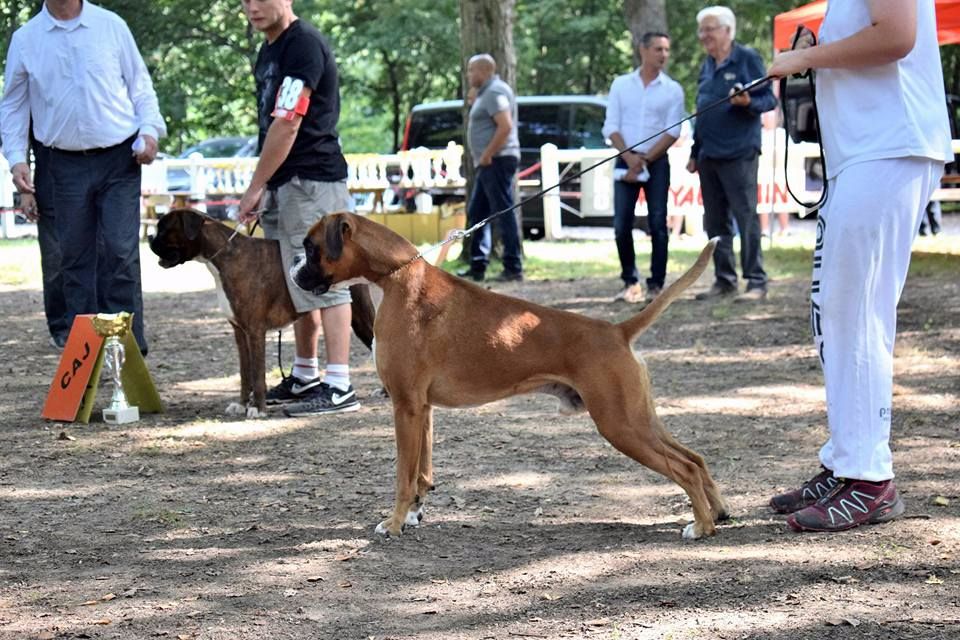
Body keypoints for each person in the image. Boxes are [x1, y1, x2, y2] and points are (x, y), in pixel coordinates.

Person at [767, 0, 952, 532]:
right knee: (838, 315)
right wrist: (810, 54)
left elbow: (896, 37)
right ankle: (847, 463)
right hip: (866, 154)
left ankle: (870, 480)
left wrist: (807, 57)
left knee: (858, 316)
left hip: (887, 149)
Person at [0, 0, 165, 354]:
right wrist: (16, 159)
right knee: (73, 258)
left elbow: (140, 86)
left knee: (120, 252)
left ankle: (128, 349)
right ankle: (83, 353)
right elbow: (13, 105)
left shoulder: (111, 26)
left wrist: (150, 131)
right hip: (61, 163)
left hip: (119, 158)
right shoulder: (26, 39)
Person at [236, 0, 360, 416]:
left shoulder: (303, 44)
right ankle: (306, 375)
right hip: (286, 184)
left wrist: (254, 187)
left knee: (328, 279)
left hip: (313, 183)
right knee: (299, 280)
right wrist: (267, 186)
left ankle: (340, 385)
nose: (250, 7)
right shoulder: (269, 50)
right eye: (244, 0)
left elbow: (288, 122)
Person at [687, 6, 777, 301]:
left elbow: (768, 100)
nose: (704, 36)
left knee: (746, 217)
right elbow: (702, 111)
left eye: (710, 29)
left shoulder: (747, 58)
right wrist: (694, 151)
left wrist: (748, 101)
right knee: (714, 222)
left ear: (728, 30)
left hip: (739, 153)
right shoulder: (706, 66)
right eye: (702, 30)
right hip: (708, 155)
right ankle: (724, 280)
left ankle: (755, 282)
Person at [603, 32, 685, 304]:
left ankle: (656, 284)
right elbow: (611, 126)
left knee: (658, 223)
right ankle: (630, 281)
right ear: (643, 50)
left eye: (667, 50)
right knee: (621, 225)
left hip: (657, 162)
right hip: (625, 159)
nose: (663, 55)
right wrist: (630, 159)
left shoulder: (673, 89)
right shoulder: (621, 85)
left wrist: (646, 160)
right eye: (658, 49)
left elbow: (673, 131)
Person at [458, 53, 523, 283]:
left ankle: (513, 266)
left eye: (471, 70)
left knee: (502, 212)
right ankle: (477, 265)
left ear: (484, 71)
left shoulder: (495, 92)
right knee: (478, 212)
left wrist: (487, 153)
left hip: (496, 160)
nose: (468, 75)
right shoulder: (486, 93)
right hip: (489, 162)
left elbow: (504, 126)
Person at [21, 135, 71, 350]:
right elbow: (19, 139)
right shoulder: (32, 101)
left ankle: (98, 324)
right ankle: (61, 328)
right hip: (49, 183)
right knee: (55, 261)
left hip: (94, 179)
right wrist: (25, 191)